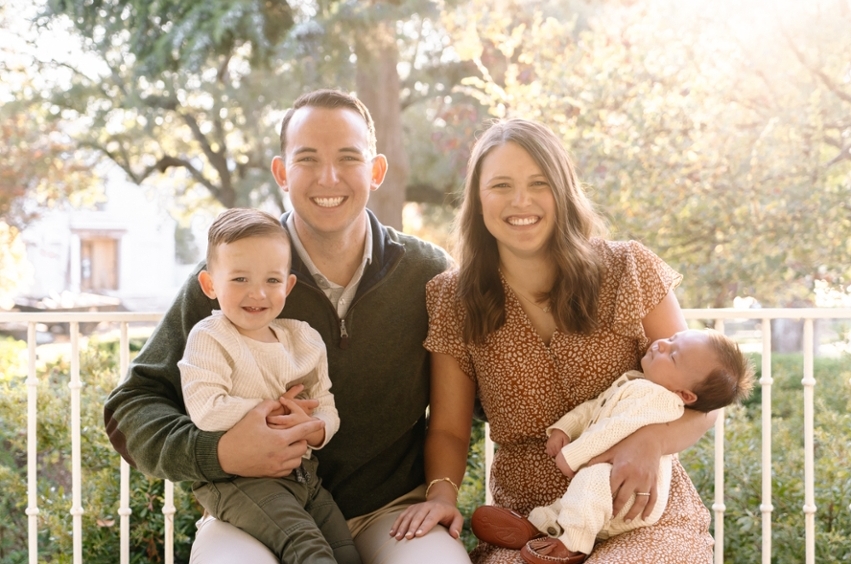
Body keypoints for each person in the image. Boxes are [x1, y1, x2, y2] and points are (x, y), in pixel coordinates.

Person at [103, 89, 471, 564]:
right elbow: (130, 407)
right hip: (256, 511)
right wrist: (220, 453)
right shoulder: (234, 278)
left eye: (348, 158)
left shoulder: (427, 273)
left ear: (376, 171)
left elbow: (473, 394)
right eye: (308, 159)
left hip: (391, 513)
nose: (328, 177)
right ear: (281, 172)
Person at [388, 118, 721, 563]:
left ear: (562, 191)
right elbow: (449, 428)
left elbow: (702, 403)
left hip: (638, 512)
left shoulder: (629, 269)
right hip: (530, 522)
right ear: (478, 199)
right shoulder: (453, 297)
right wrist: (442, 497)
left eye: (538, 183)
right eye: (501, 185)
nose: (520, 201)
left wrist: (652, 441)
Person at [470, 328, 754, 564]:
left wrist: (572, 456)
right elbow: (593, 410)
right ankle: (539, 526)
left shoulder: (660, 400)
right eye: (671, 339)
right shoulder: (634, 383)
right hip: (610, 481)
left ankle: (573, 545)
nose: (661, 344)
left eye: (673, 354)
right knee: (580, 494)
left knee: (590, 481)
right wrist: (564, 428)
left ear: (685, 394)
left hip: (628, 494)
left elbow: (610, 431)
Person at [178, 207, 359, 563]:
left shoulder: (302, 340)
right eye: (240, 279)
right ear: (210, 284)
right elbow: (206, 409)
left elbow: (324, 403)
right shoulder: (211, 337)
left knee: (346, 553)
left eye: (272, 281)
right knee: (309, 549)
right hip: (239, 481)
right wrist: (277, 411)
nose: (257, 294)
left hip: (304, 474)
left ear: (288, 285)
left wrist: (314, 427)